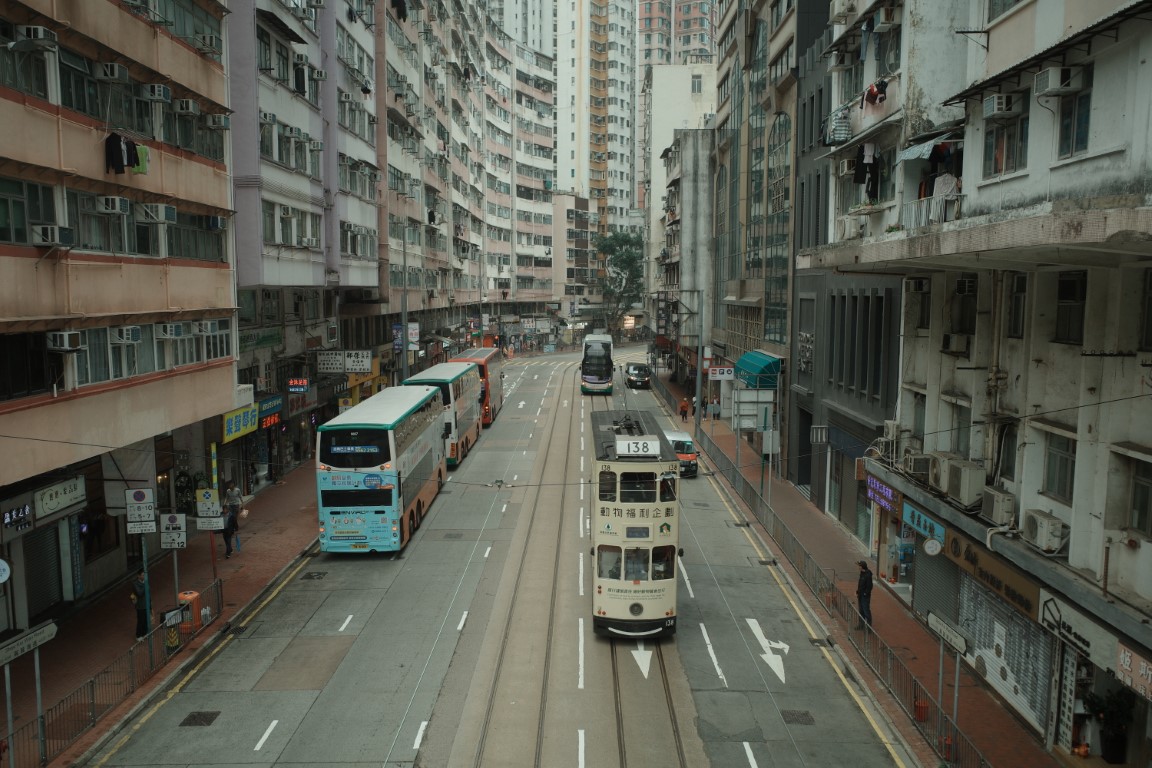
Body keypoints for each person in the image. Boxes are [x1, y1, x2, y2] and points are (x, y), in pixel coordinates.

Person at [224, 482, 243, 553]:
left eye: (231, 486)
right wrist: (225, 503)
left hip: (236, 505)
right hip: (230, 505)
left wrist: (242, 504)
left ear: (233, 486)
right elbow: (226, 497)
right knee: (231, 517)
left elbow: (240, 496)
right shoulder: (228, 491)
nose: (230, 487)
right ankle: (234, 526)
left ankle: (235, 526)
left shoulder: (237, 490)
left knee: (234, 517)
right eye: (229, 486)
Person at [130, 570, 148, 640]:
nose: (144, 576)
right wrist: (145, 585)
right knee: (141, 620)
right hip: (140, 605)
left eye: (144, 575)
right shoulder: (135, 584)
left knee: (146, 619)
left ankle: (144, 633)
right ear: (139, 576)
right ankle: (138, 635)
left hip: (146, 604)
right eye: (143, 575)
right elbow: (139, 593)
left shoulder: (145, 582)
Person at [856, 559, 874, 629]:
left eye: (859, 566)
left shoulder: (868, 575)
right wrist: (858, 591)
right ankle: (861, 625)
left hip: (864, 597)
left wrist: (865, 594)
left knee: (866, 611)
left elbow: (869, 586)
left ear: (862, 567)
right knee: (861, 611)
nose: (858, 567)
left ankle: (869, 627)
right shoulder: (862, 573)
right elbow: (861, 584)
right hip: (860, 595)